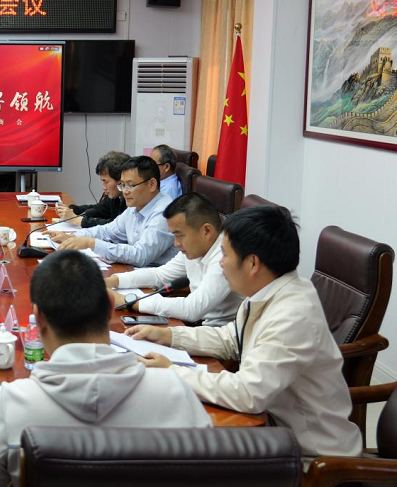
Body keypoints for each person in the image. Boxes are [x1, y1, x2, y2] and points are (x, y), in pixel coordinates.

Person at [126, 206, 362, 465]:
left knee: (176, 452)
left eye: (225, 254)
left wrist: (173, 371)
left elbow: (248, 393)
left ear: (252, 263)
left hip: (311, 458)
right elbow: (232, 339)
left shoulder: (293, 315)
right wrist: (169, 336)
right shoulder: (269, 290)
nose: (220, 262)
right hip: (273, 430)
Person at [0, 250, 212, 487]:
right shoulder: (174, 392)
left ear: (38, 318)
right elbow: (209, 471)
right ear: (110, 304)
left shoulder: (11, 406)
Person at [107, 192, 243, 327]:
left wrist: (129, 302)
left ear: (206, 231)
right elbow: (160, 275)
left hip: (219, 333)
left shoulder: (225, 257)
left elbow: (192, 309)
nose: (176, 243)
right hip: (198, 325)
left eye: (180, 235)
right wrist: (112, 281)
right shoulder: (194, 248)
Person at [52, 156, 177, 267]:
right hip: (136, 270)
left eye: (131, 185)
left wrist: (91, 243)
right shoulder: (135, 206)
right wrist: (72, 237)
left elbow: (141, 255)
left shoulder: (164, 213)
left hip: (158, 279)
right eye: (122, 185)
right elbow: (107, 231)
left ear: (152, 184)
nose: (125, 191)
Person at [56, 151, 129, 228]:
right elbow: (98, 209)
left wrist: (77, 220)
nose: (103, 187)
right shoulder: (116, 197)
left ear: (120, 180)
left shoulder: (132, 202)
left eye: (106, 181)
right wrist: (72, 210)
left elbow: (115, 227)